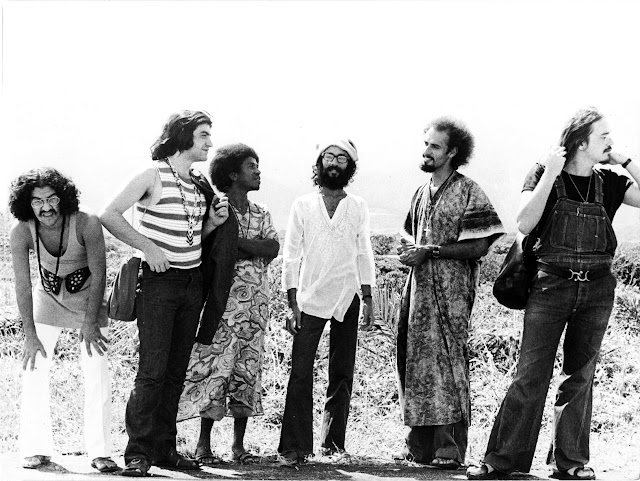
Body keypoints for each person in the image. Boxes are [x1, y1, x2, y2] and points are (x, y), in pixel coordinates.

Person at [467, 107, 640, 480]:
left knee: (580, 376)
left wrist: (626, 161)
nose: (611, 141)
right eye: (604, 136)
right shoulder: (542, 173)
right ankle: (502, 461)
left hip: (597, 289)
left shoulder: (611, 182)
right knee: (530, 374)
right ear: (581, 143)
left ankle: (571, 463)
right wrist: (550, 171)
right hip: (550, 286)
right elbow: (524, 222)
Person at [100, 110, 229, 477]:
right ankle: (138, 453)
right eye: (203, 135)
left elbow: (192, 238)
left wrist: (211, 225)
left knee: (174, 373)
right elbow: (109, 214)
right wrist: (148, 248)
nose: (209, 143)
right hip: (158, 284)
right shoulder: (152, 174)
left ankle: (164, 449)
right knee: (152, 372)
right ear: (183, 136)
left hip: (191, 284)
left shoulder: (196, 182)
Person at [396, 117, 505, 470]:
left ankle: (449, 448)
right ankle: (418, 447)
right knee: (416, 363)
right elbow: (410, 235)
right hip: (418, 293)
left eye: (435, 146)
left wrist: (431, 251)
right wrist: (409, 250)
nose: (427, 151)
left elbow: (479, 245)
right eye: (426, 144)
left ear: (453, 152)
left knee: (447, 365)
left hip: (452, 294)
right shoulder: (420, 193)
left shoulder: (469, 191)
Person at [9, 168, 118, 473]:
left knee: (96, 370)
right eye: (37, 201)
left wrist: (90, 322)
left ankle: (100, 452)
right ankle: (35, 447)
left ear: (64, 198)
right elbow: (22, 285)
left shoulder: (87, 222)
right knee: (33, 367)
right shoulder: (21, 231)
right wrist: (30, 335)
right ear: (26, 204)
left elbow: (100, 273)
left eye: (52, 199)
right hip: (47, 298)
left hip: (88, 299)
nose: (46, 207)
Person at [177, 143, 279, 465]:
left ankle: (238, 447)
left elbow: (273, 247)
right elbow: (216, 249)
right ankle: (203, 445)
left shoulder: (262, 212)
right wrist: (251, 247)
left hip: (255, 310)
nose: (258, 171)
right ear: (232, 174)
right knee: (216, 369)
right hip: (223, 307)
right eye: (251, 166)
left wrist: (239, 244)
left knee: (247, 371)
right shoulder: (219, 210)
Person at [278, 139, 376, 465]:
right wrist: (291, 303)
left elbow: (364, 253)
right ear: (319, 163)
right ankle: (295, 448)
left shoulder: (358, 206)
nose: (334, 163)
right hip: (309, 299)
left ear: (350, 167)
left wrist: (369, 298)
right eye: (329, 157)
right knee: (300, 371)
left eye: (341, 158)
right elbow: (290, 256)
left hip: (347, 297)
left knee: (342, 373)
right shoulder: (303, 205)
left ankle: (333, 445)